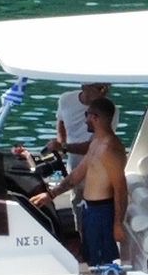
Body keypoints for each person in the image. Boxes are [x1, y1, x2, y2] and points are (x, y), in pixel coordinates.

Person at [29, 97, 128, 264]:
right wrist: (51, 194)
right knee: (90, 256)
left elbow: (121, 189)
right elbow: (77, 174)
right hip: (90, 210)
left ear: (95, 117)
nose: (85, 119)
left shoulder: (110, 149)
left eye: (86, 115)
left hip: (102, 213)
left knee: (103, 260)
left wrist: (117, 224)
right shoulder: (96, 142)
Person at [46, 82, 111, 161]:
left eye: (108, 88)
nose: (106, 93)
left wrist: (63, 147)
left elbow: (96, 145)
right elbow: (61, 122)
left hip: (94, 162)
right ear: (85, 87)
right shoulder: (65, 99)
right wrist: (61, 149)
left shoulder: (109, 109)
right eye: (101, 88)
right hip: (71, 160)